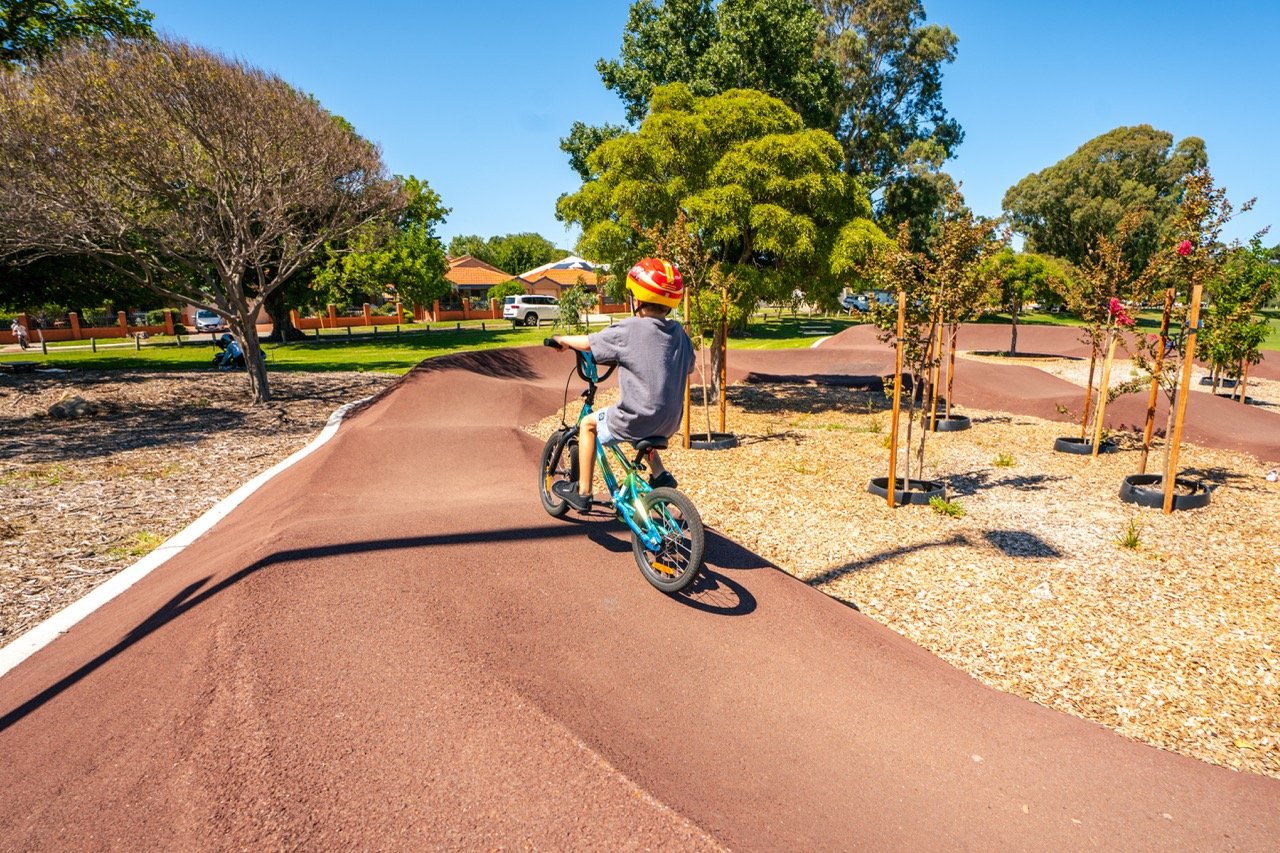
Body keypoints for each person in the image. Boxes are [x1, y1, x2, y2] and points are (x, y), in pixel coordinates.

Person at [549, 257, 695, 512]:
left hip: (638, 416)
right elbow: (688, 364)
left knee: (588, 424)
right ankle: (659, 473)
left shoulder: (629, 329)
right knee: (639, 429)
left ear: (636, 299)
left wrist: (561, 338)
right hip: (670, 421)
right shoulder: (680, 333)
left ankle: (583, 492)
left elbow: (588, 343)